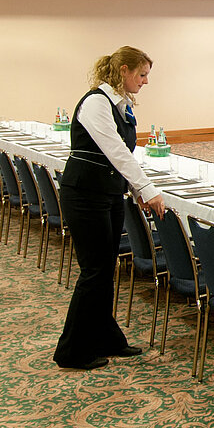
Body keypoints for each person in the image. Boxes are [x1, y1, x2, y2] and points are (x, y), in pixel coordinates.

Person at [53, 46, 165, 370]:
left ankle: (105, 338)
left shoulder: (120, 104)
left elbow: (120, 156)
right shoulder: (96, 103)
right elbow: (116, 151)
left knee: (105, 269)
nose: (145, 81)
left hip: (108, 193)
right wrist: (147, 189)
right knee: (94, 271)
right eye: (142, 74)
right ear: (123, 70)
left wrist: (135, 188)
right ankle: (72, 351)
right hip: (85, 194)